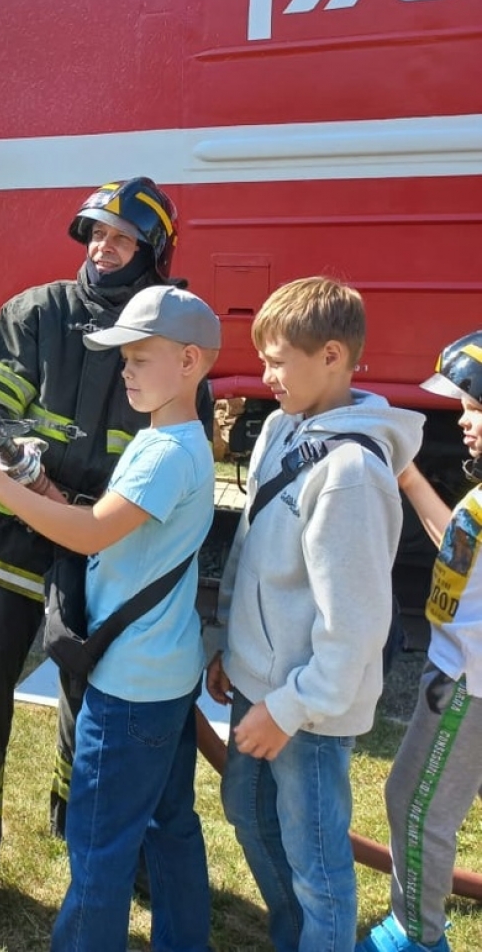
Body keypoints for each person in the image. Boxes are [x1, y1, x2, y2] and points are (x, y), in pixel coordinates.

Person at [0, 176, 194, 950]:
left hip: (99, 558)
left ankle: (95, 846)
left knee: (94, 717)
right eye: (95, 234)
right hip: (3, 543)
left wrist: (82, 496)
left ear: (153, 254)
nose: (103, 249)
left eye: (122, 239)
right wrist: (16, 453)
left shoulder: (159, 340)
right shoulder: (38, 314)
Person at [0, 283, 219, 952]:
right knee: (170, 825)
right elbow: (122, 531)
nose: (123, 368)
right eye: (121, 355)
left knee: (97, 846)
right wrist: (38, 484)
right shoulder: (176, 439)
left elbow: (90, 534)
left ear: (189, 361)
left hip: (129, 689)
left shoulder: (162, 453)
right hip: (166, 673)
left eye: (139, 357)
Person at [205, 277, 424, 952]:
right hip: (257, 683)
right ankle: (296, 934)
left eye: (277, 359)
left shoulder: (352, 471)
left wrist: (290, 707)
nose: (264, 374)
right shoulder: (280, 425)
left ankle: (315, 934)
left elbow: (354, 626)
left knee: (320, 861)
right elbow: (249, 544)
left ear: (332, 355)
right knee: (246, 809)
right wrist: (227, 641)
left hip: (308, 709)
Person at [357, 330, 482, 952]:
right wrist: (407, 473)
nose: (464, 421)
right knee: (418, 798)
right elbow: (459, 546)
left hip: (467, 684)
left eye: (475, 408)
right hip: (457, 675)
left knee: (416, 802)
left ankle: (417, 937)